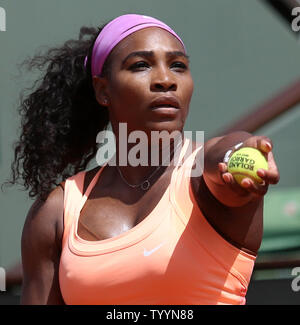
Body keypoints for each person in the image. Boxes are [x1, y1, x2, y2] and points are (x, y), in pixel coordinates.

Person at [7, 14, 279, 305]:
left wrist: (235, 156)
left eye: (178, 66)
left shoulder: (206, 175)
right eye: (140, 65)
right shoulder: (55, 212)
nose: (165, 80)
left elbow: (224, 153)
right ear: (103, 90)